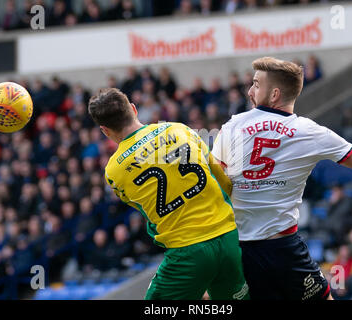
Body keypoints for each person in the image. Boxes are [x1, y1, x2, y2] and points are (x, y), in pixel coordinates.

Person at [212, 56, 352, 300]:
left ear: (274, 94)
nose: (250, 91)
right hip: (283, 251)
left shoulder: (232, 126)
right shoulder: (309, 131)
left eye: (255, 84)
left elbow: (216, 185)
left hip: (239, 250)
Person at [87, 88, 249, 300]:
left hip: (187, 251)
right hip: (227, 236)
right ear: (134, 109)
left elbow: (146, 211)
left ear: (105, 130)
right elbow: (224, 182)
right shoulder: (180, 129)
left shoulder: (114, 171)